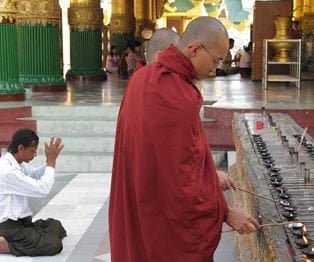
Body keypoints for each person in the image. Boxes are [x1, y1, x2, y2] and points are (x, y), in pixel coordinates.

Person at [109, 16, 259, 262]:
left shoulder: (141, 79)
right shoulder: (176, 95)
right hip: (160, 222)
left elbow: (187, 154)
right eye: (216, 60)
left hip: (138, 200)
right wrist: (224, 211)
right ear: (195, 49)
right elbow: (181, 184)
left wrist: (210, 174)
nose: (215, 68)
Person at [0, 129, 66, 257]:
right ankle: (6, 246)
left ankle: (26, 240)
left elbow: (34, 174)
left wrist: (49, 160)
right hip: (8, 226)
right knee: (54, 245)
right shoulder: (7, 171)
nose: (35, 155)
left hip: (22, 224)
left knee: (55, 226)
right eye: (32, 150)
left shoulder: (18, 164)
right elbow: (42, 189)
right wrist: (51, 163)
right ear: (20, 148)